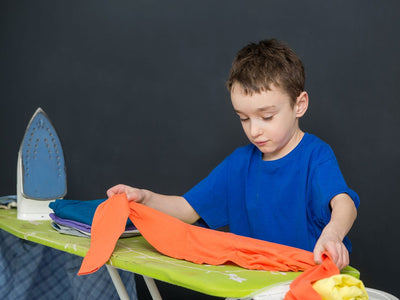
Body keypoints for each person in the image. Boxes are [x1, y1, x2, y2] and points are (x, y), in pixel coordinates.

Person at [107, 38, 359, 270]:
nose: (255, 130)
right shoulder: (239, 164)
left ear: (299, 105)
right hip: (254, 284)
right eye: (244, 118)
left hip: (307, 278)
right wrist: (144, 198)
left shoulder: (315, 155)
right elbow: (187, 208)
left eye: (267, 116)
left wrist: (333, 234)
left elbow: (343, 203)